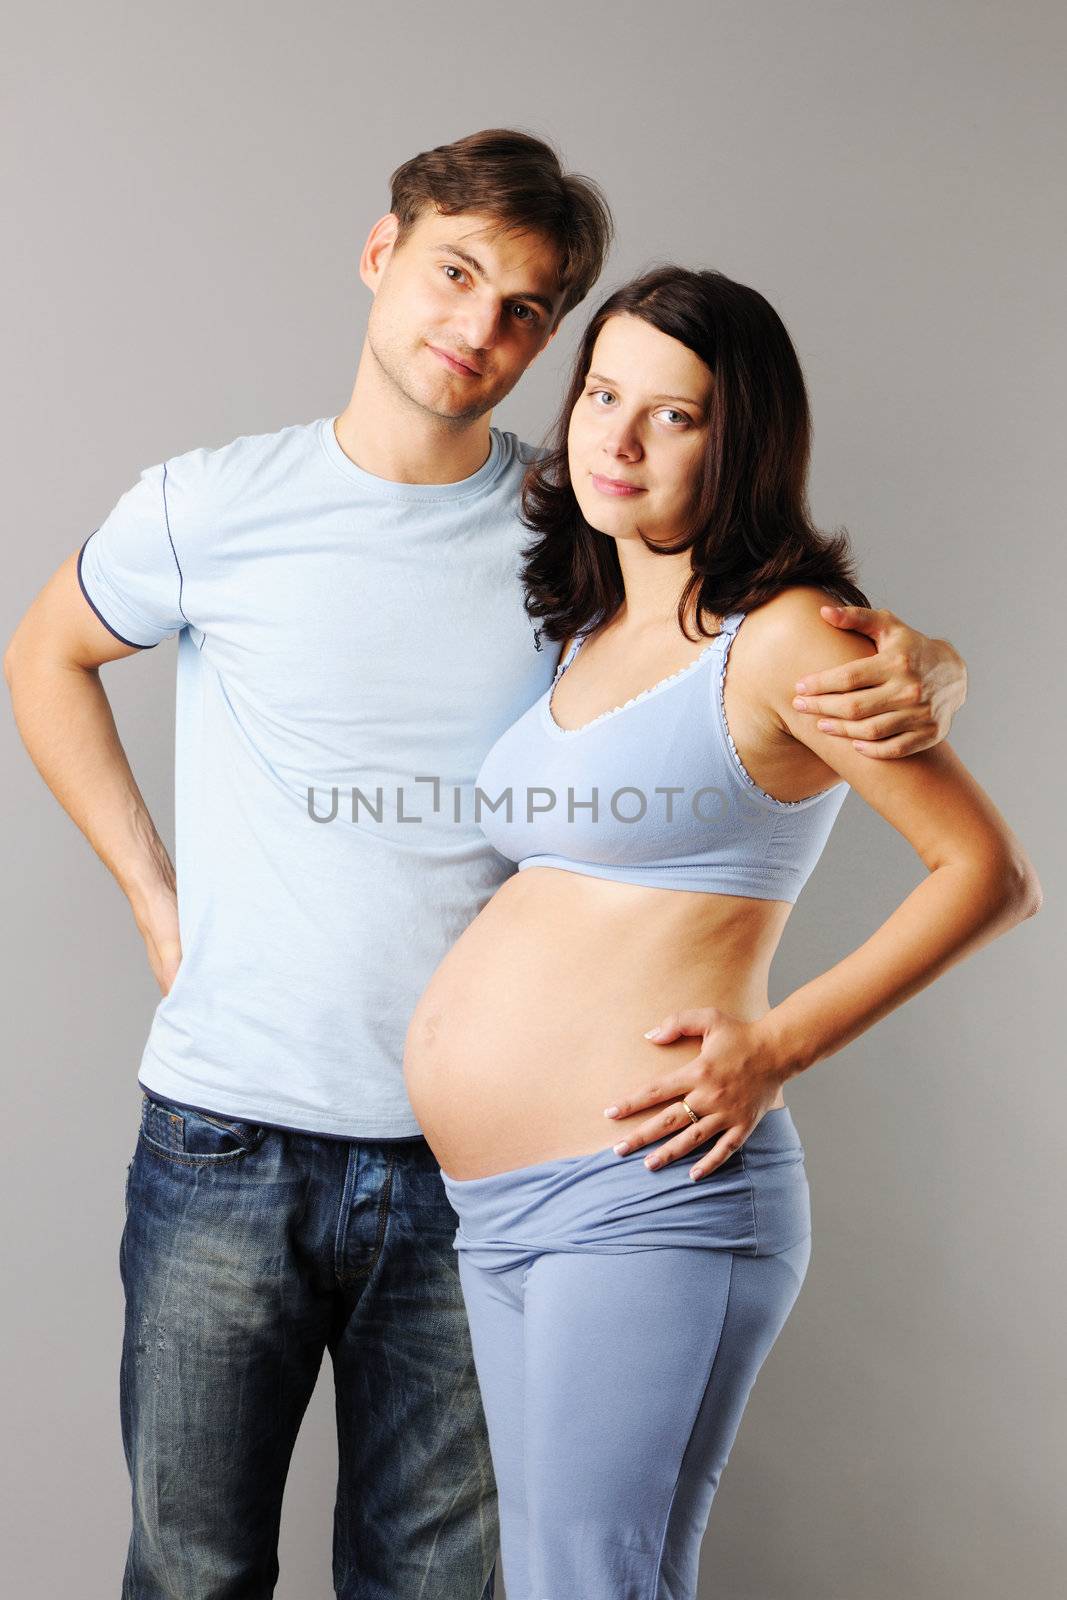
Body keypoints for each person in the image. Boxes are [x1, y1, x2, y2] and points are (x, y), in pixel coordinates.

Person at [4, 129, 969, 1600]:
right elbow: (47, 652)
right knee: (189, 1571)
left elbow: (760, 627)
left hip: (474, 1177)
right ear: (380, 255)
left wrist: (929, 662)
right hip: (225, 1135)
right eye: (456, 273)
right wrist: (154, 889)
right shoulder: (212, 503)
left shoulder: (568, 528)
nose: (479, 327)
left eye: (525, 309)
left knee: (443, 1581)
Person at [402, 265, 1041, 1600]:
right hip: (504, 1207)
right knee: (565, 1580)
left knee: (591, 1577)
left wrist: (774, 1047)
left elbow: (986, 873)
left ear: (741, 438)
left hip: (646, 1195)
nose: (618, 439)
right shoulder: (589, 626)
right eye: (603, 395)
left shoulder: (785, 634)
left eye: (675, 416)